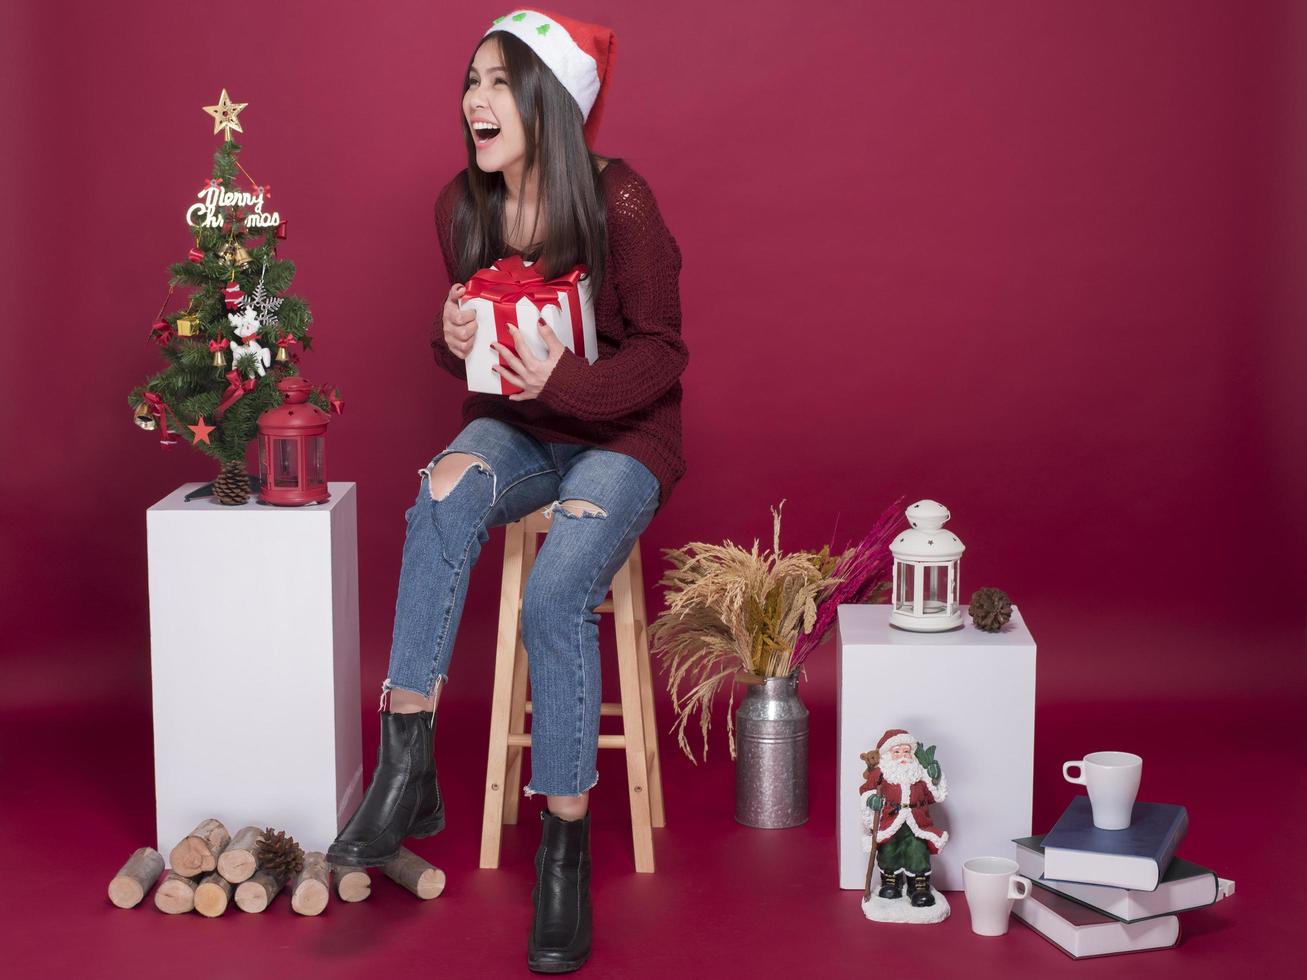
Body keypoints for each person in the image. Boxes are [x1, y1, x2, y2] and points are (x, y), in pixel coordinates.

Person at [326, 7, 687, 974]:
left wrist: (563, 384)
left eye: (497, 82)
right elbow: (481, 364)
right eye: (470, 82)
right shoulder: (461, 206)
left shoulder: (621, 204)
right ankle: (406, 765)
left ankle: (562, 849)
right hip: (524, 432)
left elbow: (663, 351)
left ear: (547, 103)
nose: (474, 101)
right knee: (444, 490)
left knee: (558, 589)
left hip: (622, 438)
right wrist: (451, 344)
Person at [859, 728, 949, 907]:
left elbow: (935, 796)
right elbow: (866, 790)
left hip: (918, 824)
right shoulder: (881, 773)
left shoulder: (920, 774)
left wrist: (935, 777)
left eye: (906, 751)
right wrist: (871, 800)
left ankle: (918, 886)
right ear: (887, 755)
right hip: (890, 824)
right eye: (897, 751)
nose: (902, 755)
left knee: (917, 851)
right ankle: (891, 881)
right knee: (889, 851)